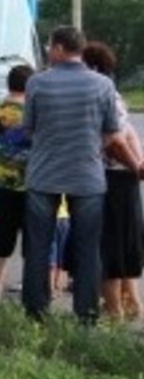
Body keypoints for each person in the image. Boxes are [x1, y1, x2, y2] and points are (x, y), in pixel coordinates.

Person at [21, 26, 144, 323]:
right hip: (87, 178)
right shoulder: (102, 86)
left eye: (51, 47)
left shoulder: (37, 83)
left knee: (38, 246)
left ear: (61, 49)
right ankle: (86, 317)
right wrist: (89, 146)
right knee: (88, 249)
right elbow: (113, 135)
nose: (49, 52)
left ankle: (36, 313)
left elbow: (29, 129)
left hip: (43, 176)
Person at [83, 41, 144, 319]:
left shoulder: (103, 95)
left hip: (113, 178)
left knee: (111, 246)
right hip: (123, 178)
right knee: (125, 243)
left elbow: (115, 141)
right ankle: (131, 302)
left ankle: (115, 309)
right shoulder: (110, 93)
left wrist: (137, 167)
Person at [0, 64, 34, 300]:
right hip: (30, 180)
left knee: (3, 230)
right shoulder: (33, 110)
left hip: (0, 179)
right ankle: (29, 284)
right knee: (32, 234)